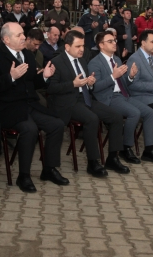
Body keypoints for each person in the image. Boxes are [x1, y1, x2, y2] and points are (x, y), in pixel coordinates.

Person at [0, 22, 67, 193]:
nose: (23, 38)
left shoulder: (27, 54)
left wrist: (44, 76)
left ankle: (49, 169)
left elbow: (31, 82)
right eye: (18, 35)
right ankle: (24, 176)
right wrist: (10, 77)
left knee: (57, 125)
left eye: (23, 34)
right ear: (6, 39)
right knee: (30, 129)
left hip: (29, 104)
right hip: (7, 107)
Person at [47, 30, 128, 176]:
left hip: (85, 99)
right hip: (68, 102)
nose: (82, 49)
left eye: (83, 46)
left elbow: (88, 84)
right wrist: (73, 84)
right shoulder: (57, 62)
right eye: (78, 46)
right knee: (92, 119)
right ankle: (93, 162)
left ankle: (112, 158)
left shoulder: (83, 60)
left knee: (116, 117)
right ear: (67, 47)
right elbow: (51, 88)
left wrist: (90, 83)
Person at [90, 31, 153, 164]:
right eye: (110, 41)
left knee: (149, 112)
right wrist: (113, 76)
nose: (114, 43)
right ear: (101, 45)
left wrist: (130, 76)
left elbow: (125, 83)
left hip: (124, 95)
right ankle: (126, 147)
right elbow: (95, 88)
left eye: (114, 41)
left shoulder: (117, 59)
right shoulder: (95, 63)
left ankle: (149, 149)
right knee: (134, 113)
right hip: (109, 98)